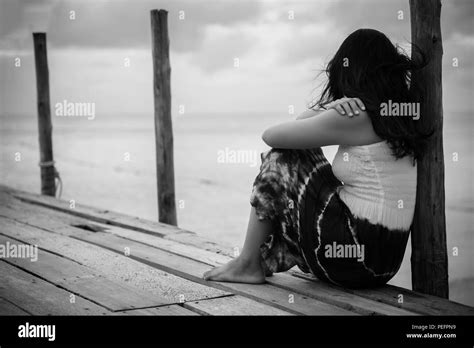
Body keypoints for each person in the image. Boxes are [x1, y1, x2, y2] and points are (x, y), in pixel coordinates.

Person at [203, 28, 428, 288]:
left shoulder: (358, 115)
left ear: (349, 70)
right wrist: (331, 109)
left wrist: (326, 108)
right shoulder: (398, 119)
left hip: (354, 252)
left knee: (282, 157)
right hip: (380, 264)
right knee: (294, 153)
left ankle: (248, 263)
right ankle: (253, 261)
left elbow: (273, 136)